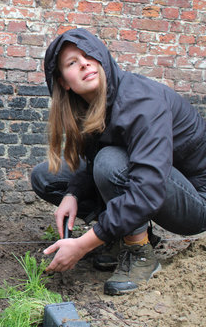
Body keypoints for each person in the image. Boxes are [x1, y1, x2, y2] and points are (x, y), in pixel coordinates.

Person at [31, 28, 206, 296]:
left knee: (111, 162)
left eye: (89, 55)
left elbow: (148, 187)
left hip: (194, 200)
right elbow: (90, 160)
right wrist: (72, 194)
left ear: (101, 58)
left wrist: (83, 244)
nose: (84, 63)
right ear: (64, 81)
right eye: (72, 62)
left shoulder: (141, 100)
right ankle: (118, 236)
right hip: (155, 183)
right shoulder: (87, 105)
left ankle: (139, 252)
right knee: (47, 177)